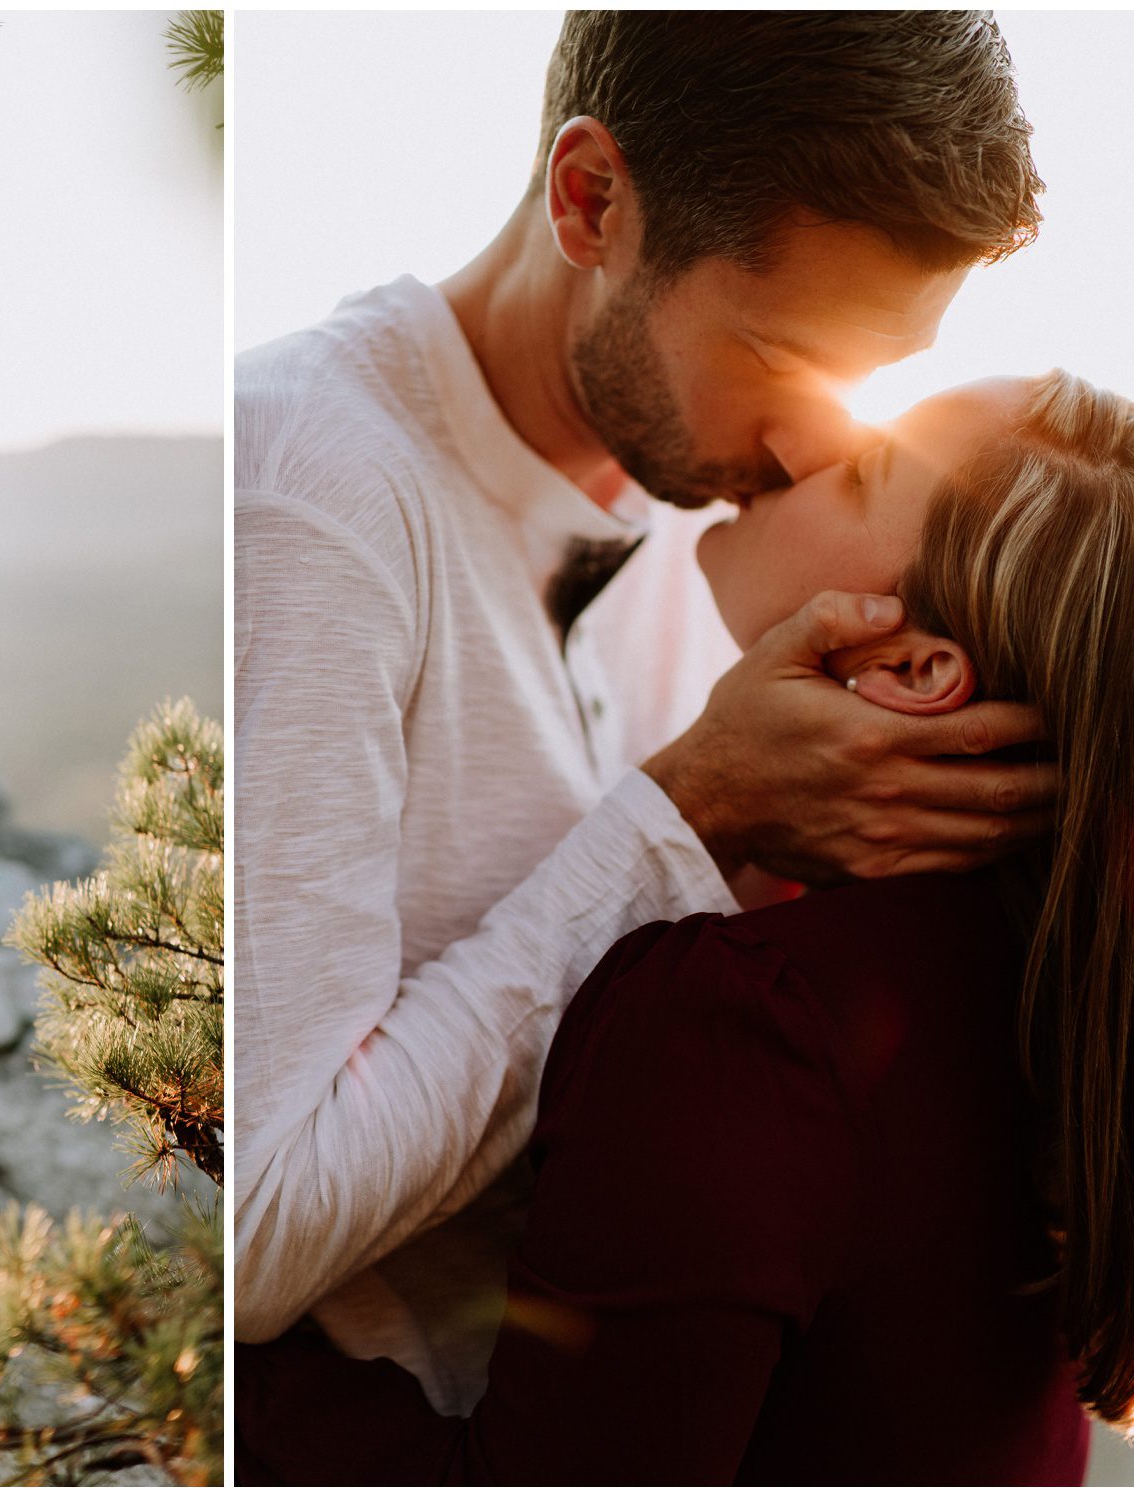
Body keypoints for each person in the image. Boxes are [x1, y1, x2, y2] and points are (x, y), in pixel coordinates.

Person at [234, 11, 1053, 1408]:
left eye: (870, 379)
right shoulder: (313, 494)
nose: (815, 440)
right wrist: (688, 811)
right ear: (592, 201)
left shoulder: (715, 529)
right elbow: (252, 1227)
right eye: (782, 352)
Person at [240, 370, 1134, 1481]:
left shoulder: (740, 1019)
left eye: (865, 468)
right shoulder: (1068, 991)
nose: (802, 430)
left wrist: (226, 1365)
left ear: (910, 670)